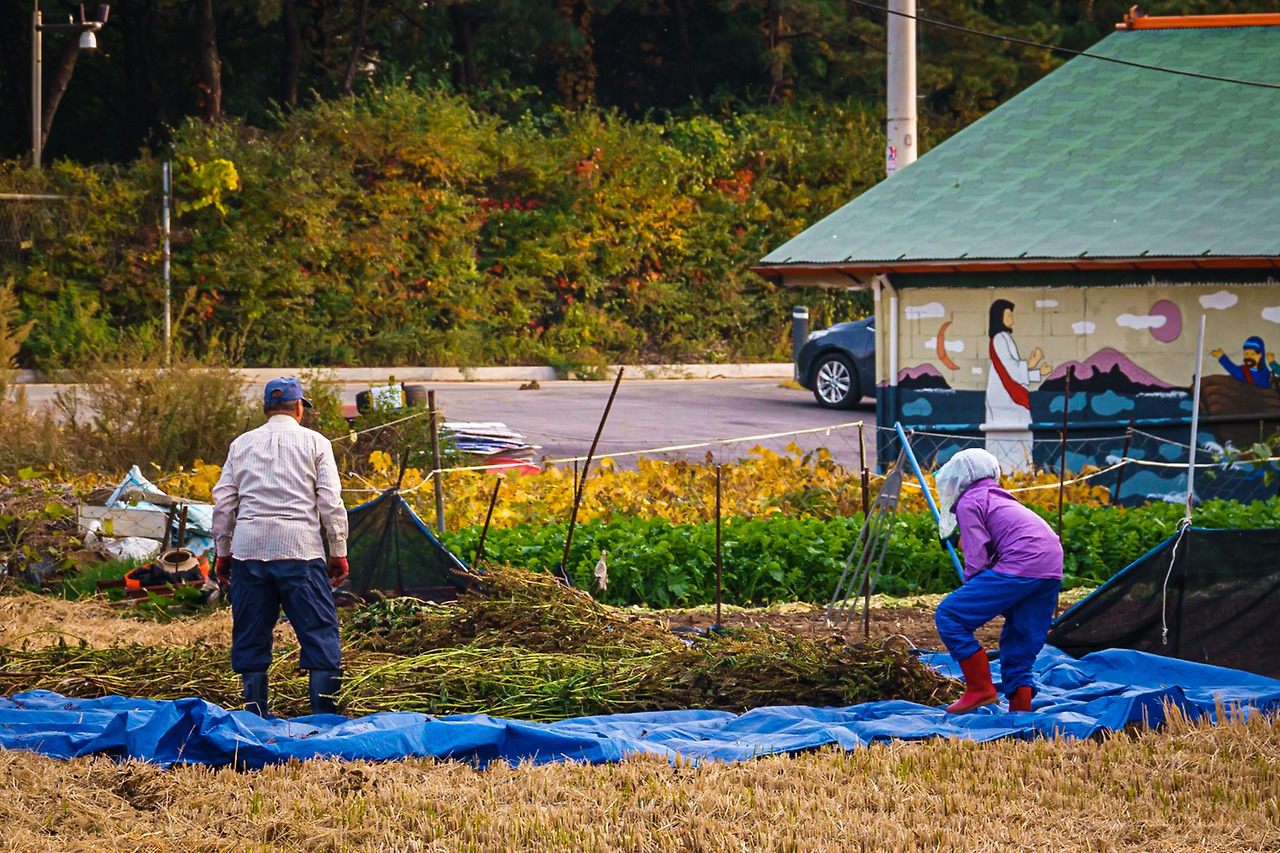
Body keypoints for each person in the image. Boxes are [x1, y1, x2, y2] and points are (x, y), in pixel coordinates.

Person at [212, 377, 350, 718]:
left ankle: (254, 716)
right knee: (318, 632)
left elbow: (224, 502)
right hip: (300, 551)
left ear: (265, 408)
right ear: (299, 407)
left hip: (248, 551)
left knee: (251, 634)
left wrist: (223, 551)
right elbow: (330, 502)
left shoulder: (241, 444)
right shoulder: (316, 443)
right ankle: (324, 719)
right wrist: (338, 550)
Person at [932, 448, 1063, 714]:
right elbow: (1000, 539)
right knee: (1020, 641)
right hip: (1050, 565)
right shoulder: (1001, 497)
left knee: (950, 615)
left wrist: (972, 588)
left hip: (1022, 562)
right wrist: (959, 541)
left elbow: (978, 557)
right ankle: (1020, 713)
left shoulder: (969, 501)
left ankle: (980, 689)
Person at [984, 299, 1051, 473]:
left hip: (1009, 396)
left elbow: (1013, 370)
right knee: (1009, 438)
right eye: (1008, 314)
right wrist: (1033, 364)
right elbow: (1011, 369)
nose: (1011, 318)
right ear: (999, 317)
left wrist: (1036, 372)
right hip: (1006, 398)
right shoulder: (1000, 339)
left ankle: (1021, 472)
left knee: (1019, 436)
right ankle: (1010, 474)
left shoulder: (1005, 338)